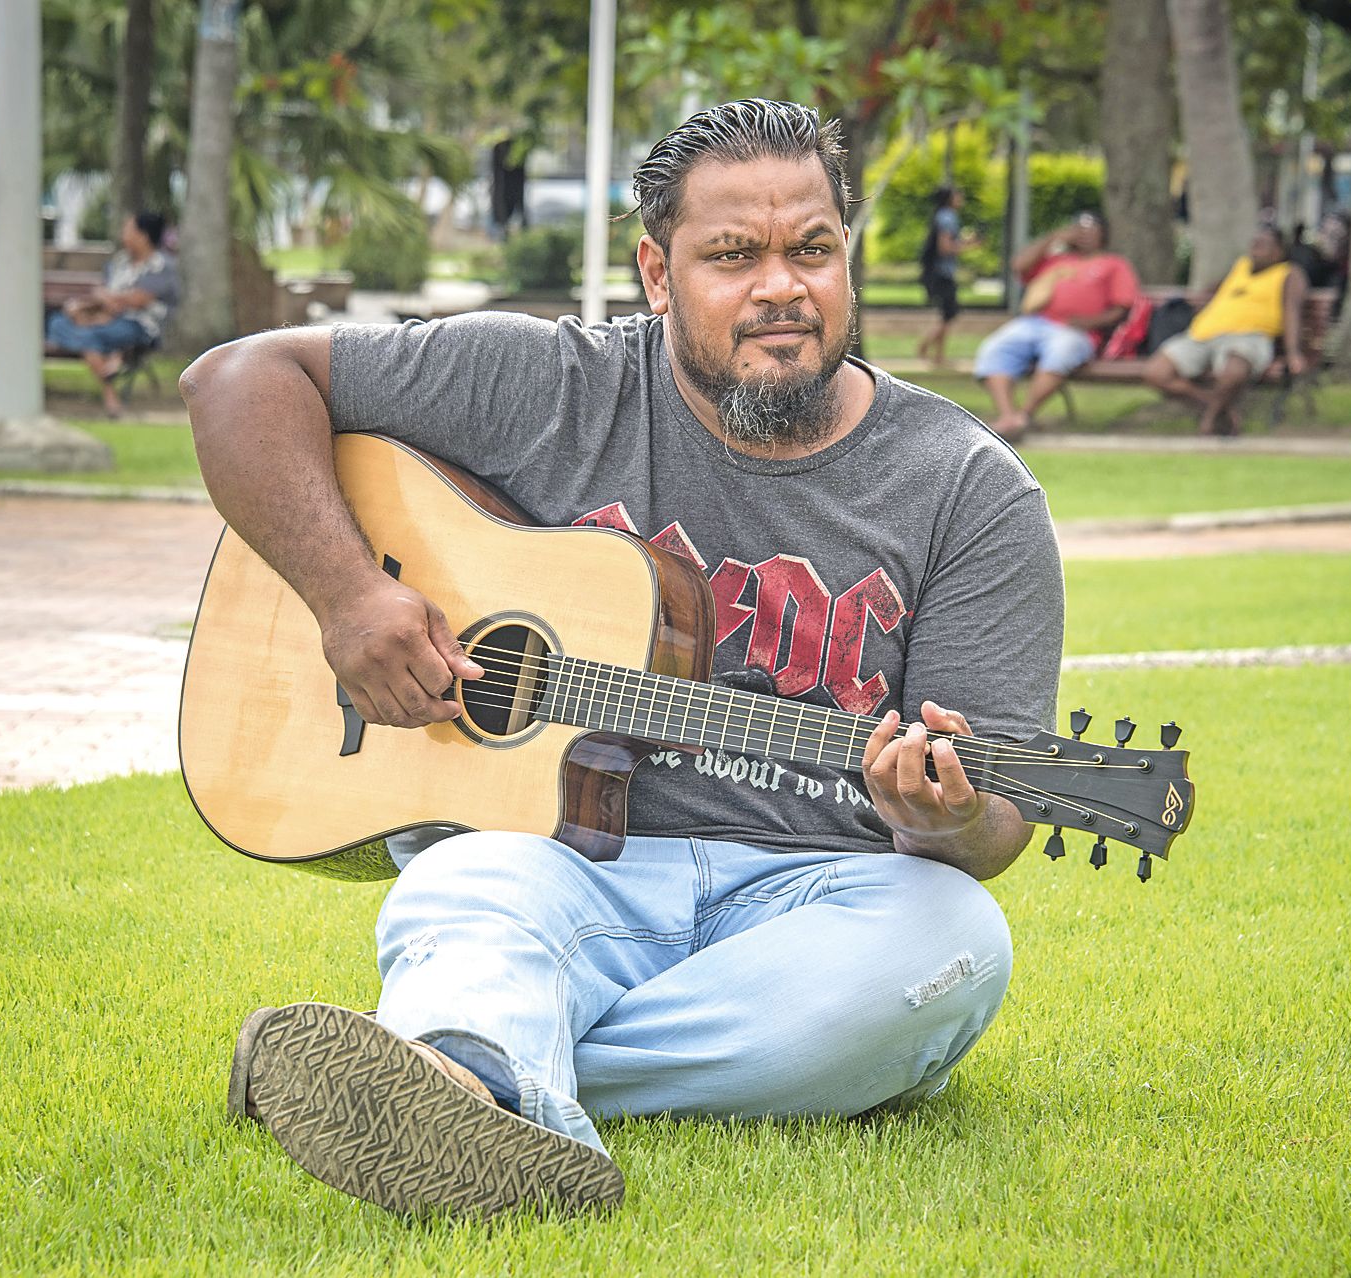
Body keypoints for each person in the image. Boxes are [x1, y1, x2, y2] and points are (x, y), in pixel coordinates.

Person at [180, 100, 1063, 1219]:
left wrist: (946, 822)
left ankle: (466, 1070)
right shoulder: (546, 385)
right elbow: (237, 383)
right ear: (657, 272)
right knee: (471, 882)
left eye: (814, 249)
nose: (781, 287)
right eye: (733, 255)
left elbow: (993, 833)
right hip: (559, 862)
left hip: (814, 896)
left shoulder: (970, 491)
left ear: (850, 255)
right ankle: (481, 1064)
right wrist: (352, 597)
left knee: (954, 946)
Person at [971, 211, 1137, 440]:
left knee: (1061, 351)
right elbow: (1019, 265)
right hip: (1036, 323)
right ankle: (1007, 416)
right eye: (1079, 229)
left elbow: (1122, 309)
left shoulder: (1114, 264)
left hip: (1078, 332)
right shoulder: (1056, 260)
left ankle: (1024, 416)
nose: (1084, 234)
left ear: (1104, 234)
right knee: (997, 346)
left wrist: (1087, 322)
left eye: (1091, 230)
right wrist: (1052, 238)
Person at [1141, 225, 1308, 437]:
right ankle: (1218, 407)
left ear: (1278, 251)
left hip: (1249, 337)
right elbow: (1218, 292)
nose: (1255, 250)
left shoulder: (1288, 274)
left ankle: (1209, 421)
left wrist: (1294, 353)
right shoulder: (1240, 267)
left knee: (1233, 373)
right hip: (1202, 335)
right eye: (1253, 244)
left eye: (1262, 245)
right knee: (1154, 372)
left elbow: (1292, 312)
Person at [46, 211, 179, 417]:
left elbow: (136, 301)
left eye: (128, 229)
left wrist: (105, 298)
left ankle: (110, 391)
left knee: (90, 336)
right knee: (58, 323)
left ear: (142, 236)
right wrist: (88, 310)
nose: (123, 234)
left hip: (139, 326)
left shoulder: (162, 266)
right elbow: (111, 299)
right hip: (105, 323)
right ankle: (113, 363)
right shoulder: (120, 262)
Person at [914, 185, 975, 367]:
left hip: (939, 273)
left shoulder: (942, 216)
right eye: (957, 195)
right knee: (949, 314)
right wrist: (969, 246)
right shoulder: (948, 217)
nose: (961, 198)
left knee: (946, 314)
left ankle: (938, 355)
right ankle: (925, 348)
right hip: (942, 273)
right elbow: (946, 248)